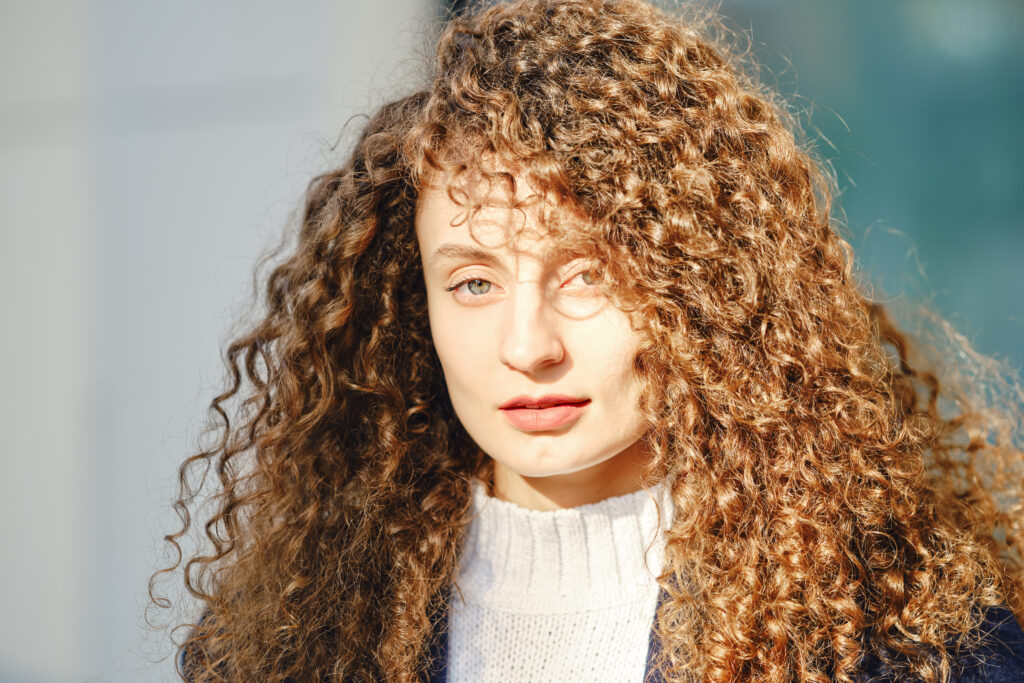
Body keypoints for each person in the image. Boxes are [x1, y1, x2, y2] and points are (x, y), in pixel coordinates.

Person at [151, 0, 1024, 680]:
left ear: (699, 291)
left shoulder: (906, 647)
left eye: (587, 276)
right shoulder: (277, 647)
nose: (527, 345)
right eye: (473, 282)